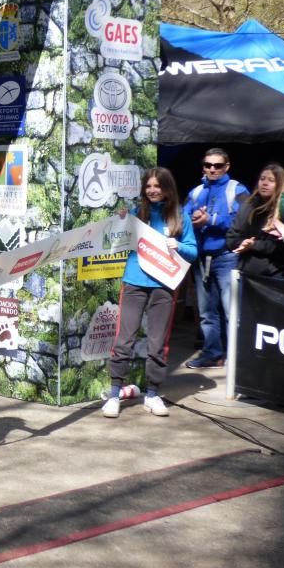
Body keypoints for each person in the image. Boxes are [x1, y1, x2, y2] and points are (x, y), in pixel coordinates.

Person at [102, 167, 198, 419]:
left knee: (157, 344)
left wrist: (178, 245)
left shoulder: (180, 216)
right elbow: (115, 238)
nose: (153, 190)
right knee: (124, 341)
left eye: (158, 186)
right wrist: (119, 222)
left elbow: (193, 251)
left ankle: (153, 394)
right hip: (134, 282)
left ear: (168, 188)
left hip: (164, 286)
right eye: (148, 186)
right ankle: (114, 394)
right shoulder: (137, 214)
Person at [182, 148, 249, 369]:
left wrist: (211, 220)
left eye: (217, 165)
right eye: (208, 165)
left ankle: (239, 358)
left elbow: (244, 222)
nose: (212, 169)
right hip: (202, 259)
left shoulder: (237, 189)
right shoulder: (196, 191)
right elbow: (181, 220)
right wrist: (193, 220)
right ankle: (213, 354)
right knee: (207, 313)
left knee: (232, 312)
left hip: (227, 256)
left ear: (227, 166)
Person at [226, 163, 284, 278]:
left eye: (271, 180)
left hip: (275, 276)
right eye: (262, 179)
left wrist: (254, 245)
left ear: (280, 184)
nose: (264, 183)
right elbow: (231, 237)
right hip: (246, 275)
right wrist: (241, 243)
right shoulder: (248, 206)